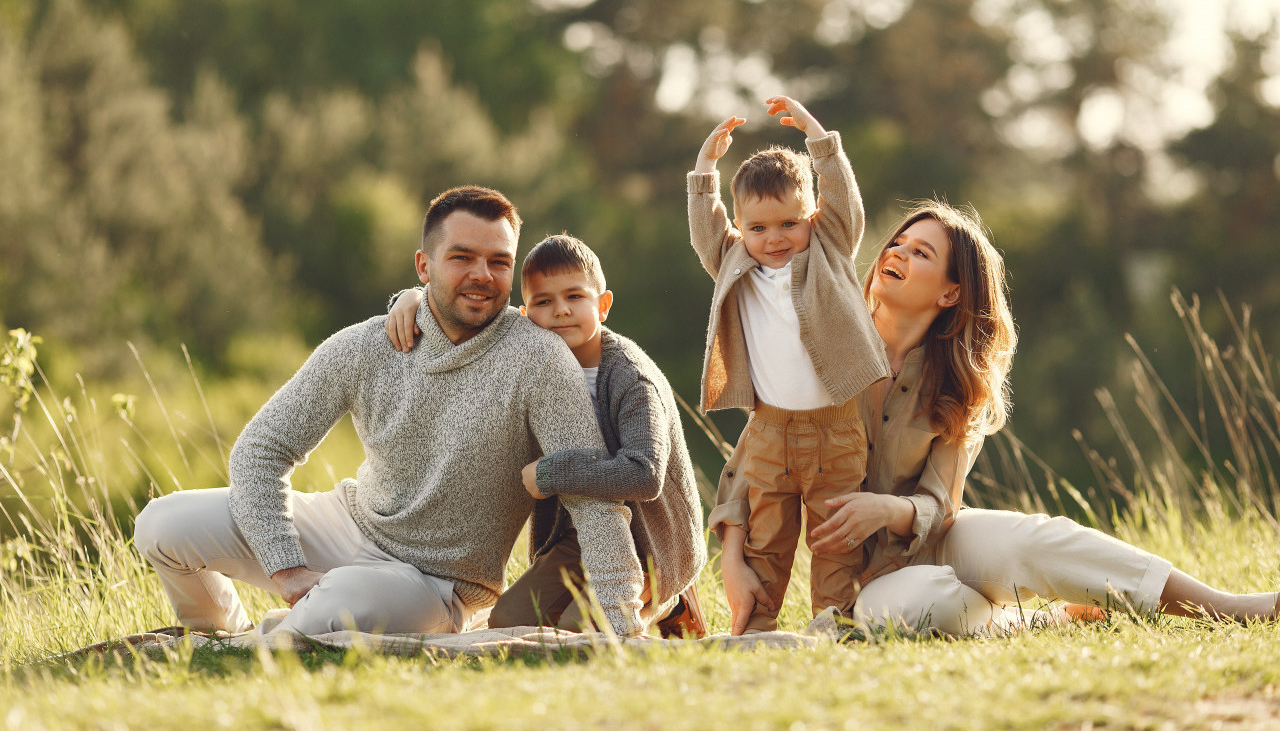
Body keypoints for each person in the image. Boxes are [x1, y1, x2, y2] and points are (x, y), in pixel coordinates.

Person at [714, 200, 1280, 636]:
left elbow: (942, 506)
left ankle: (1224, 606)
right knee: (910, 608)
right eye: (899, 243)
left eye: (921, 254)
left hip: (932, 539)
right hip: (861, 581)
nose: (897, 254)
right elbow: (756, 458)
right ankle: (1038, 621)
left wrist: (887, 508)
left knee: (1034, 539)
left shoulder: (957, 383)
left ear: (950, 293)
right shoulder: (819, 347)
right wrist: (735, 561)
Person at [133, 186, 649, 638]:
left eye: (498, 261)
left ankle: (270, 643)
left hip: (433, 585)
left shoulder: (540, 358)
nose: (482, 275)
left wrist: (624, 625)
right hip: (347, 525)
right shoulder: (364, 345)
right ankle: (218, 639)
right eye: (461, 257)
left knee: (337, 604)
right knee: (161, 524)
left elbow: (593, 498)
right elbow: (261, 449)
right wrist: (286, 567)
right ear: (423, 266)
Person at [387, 233, 709, 637]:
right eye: (543, 302)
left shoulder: (630, 378)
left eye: (575, 297)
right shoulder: (533, 364)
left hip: (649, 543)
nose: (560, 311)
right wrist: (413, 298)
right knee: (508, 621)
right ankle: (610, 597)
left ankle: (669, 603)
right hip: (577, 536)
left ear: (603, 305)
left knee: (585, 630)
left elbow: (644, 474)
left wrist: (552, 474)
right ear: (525, 317)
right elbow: (469, 316)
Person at [687, 96, 890, 632]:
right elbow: (706, 229)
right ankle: (759, 626)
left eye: (788, 223)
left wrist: (818, 138)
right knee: (767, 537)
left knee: (835, 535)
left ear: (813, 218)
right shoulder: (734, 261)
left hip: (837, 427)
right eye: (758, 229)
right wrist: (705, 169)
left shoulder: (829, 246)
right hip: (771, 430)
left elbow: (845, 201)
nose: (774, 239)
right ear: (740, 227)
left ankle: (833, 618)